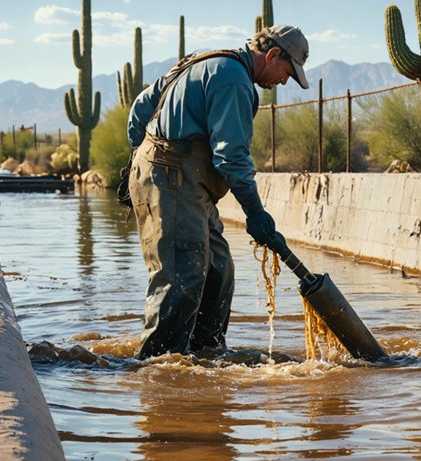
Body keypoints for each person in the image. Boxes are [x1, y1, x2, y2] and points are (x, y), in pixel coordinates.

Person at [126, 24, 310, 359]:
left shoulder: (207, 60)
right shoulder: (233, 80)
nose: (284, 82)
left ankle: (205, 355)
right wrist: (255, 212)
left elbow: (141, 107)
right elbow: (232, 158)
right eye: (287, 72)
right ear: (271, 55)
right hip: (171, 178)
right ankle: (158, 366)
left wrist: (139, 160)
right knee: (183, 275)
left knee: (219, 268)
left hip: (181, 181)